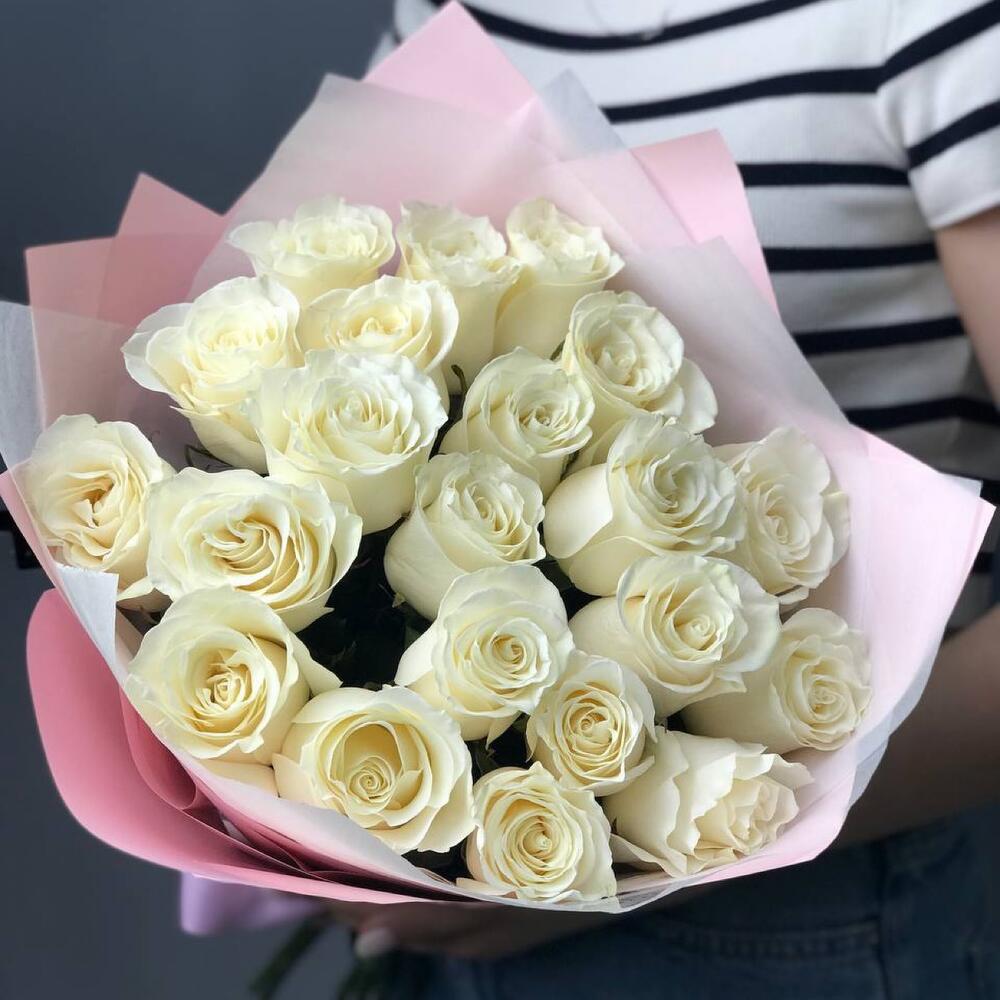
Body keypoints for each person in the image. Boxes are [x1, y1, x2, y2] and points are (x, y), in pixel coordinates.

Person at [322, 2, 1000, 996]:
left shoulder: (929, 22)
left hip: (810, 911)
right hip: (466, 887)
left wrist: (672, 836)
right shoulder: (451, 12)